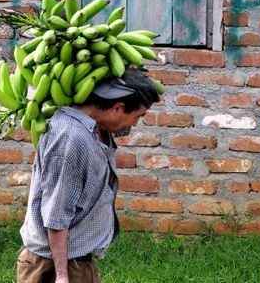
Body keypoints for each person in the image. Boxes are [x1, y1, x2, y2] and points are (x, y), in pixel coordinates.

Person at [17, 68, 161, 283]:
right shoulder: (70, 138)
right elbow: (56, 212)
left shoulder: (97, 126)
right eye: (137, 116)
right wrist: (62, 275)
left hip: (76, 259)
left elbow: (118, 123)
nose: (134, 124)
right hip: (56, 263)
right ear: (117, 108)